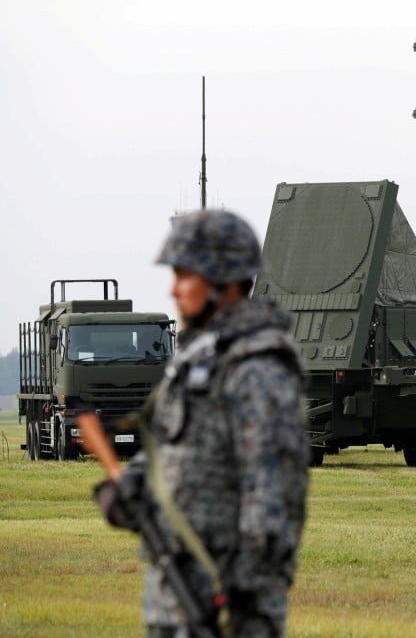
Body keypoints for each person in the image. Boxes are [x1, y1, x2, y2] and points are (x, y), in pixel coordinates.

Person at [95, 209, 309, 637]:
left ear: (225, 283)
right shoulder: (198, 361)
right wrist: (136, 487)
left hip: (226, 610)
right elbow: (174, 450)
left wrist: (244, 599)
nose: (174, 290)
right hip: (173, 602)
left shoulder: (256, 369)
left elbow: (273, 497)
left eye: (186, 277)